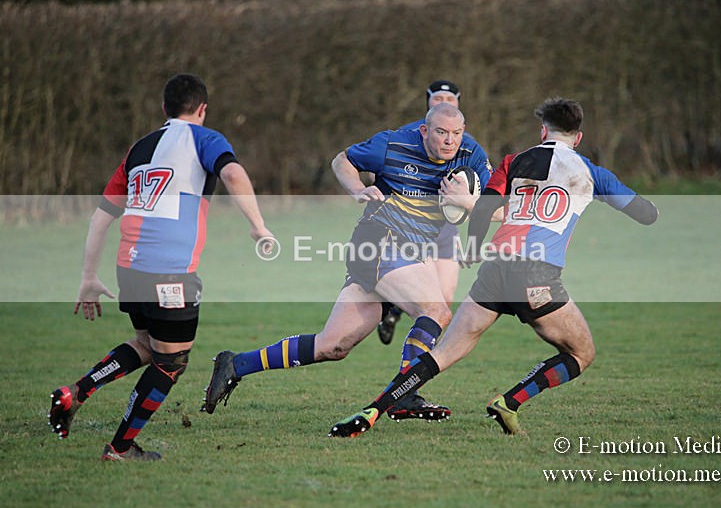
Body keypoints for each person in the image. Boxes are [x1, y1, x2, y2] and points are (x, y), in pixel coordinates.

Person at [329, 97, 659, 438]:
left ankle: (372, 412)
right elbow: (645, 214)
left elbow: (484, 208)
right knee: (581, 352)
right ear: (577, 138)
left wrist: (472, 243)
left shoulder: (513, 161)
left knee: (443, 354)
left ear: (542, 130)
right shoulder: (591, 172)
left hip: (495, 270)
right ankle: (510, 402)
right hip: (536, 275)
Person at [201, 102, 492, 422]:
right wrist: (357, 189)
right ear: (425, 130)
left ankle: (236, 364)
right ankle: (404, 393)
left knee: (333, 346)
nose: (449, 140)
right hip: (380, 239)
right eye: (440, 132)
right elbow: (342, 160)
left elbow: (500, 207)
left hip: (407, 252)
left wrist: (470, 203)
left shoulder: (471, 154)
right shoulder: (393, 144)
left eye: (456, 133)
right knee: (435, 310)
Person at [47, 73, 275, 461]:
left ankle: (75, 394)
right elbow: (233, 172)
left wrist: (88, 276)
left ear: (163, 109)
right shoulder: (204, 138)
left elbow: (101, 217)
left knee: (148, 347)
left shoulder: (139, 148)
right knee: (172, 362)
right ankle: (119, 448)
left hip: (128, 269)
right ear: (202, 109)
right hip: (168, 272)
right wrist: (258, 225)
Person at [375, 79, 494, 350]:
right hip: (410, 228)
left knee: (445, 299)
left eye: (450, 100)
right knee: (432, 308)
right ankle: (410, 372)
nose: (444, 103)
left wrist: (471, 228)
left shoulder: (469, 147)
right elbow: (381, 169)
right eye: (437, 98)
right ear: (428, 103)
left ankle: (393, 311)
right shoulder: (410, 135)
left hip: (446, 228)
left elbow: (488, 202)